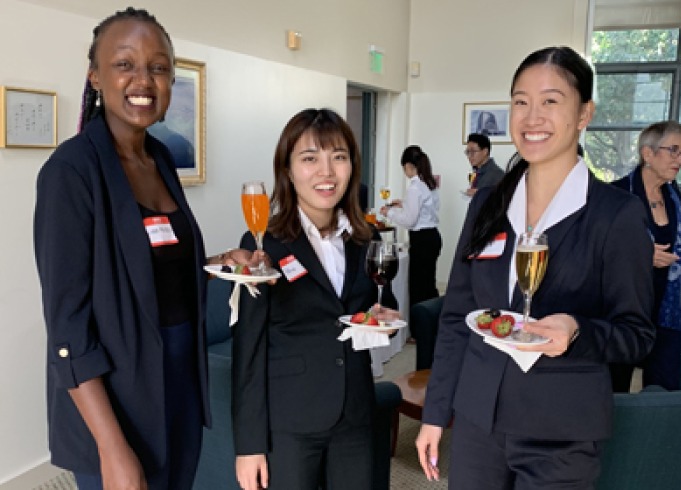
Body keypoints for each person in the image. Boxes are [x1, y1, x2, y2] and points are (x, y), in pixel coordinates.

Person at [33, 8, 259, 489]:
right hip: (116, 398)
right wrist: (112, 448)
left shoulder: (158, 157)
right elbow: (67, 329)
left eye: (158, 67)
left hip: (177, 385)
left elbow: (147, 267)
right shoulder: (71, 173)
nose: (144, 80)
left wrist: (218, 264)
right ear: (95, 75)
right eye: (125, 64)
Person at [415, 46, 655, 488]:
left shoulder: (615, 215)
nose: (531, 117)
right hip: (478, 421)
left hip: (561, 429)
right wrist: (435, 413)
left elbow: (636, 335)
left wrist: (578, 331)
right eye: (520, 101)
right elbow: (456, 318)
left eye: (550, 101)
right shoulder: (489, 203)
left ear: (584, 114)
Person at [231, 108, 401, 490]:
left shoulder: (365, 240)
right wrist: (249, 445)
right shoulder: (263, 244)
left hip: (354, 413)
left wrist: (385, 321)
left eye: (338, 157)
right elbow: (249, 350)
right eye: (310, 159)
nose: (326, 172)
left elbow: (379, 316)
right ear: (288, 170)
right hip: (288, 422)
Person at [610, 121, 681, 391]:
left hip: (668, 309)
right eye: (673, 150)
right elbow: (597, 251)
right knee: (615, 386)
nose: (680, 159)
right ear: (647, 154)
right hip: (624, 307)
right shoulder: (615, 195)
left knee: (665, 384)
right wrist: (641, 255)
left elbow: (679, 248)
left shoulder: (676, 199)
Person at [379, 145, 442, 306]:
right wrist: (404, 203)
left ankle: (420, 329)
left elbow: (410, 220)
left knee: (418, 288)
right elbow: (426, 210)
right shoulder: (429, 182)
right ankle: (432, 325)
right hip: (433, 236)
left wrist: (389, 212)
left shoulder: (415, 187)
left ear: (407, 166)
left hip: (422, 240)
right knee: (428, 285)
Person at [464, 132, 504, 197]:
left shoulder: (496, 174)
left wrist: (480, 194)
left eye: (473, 151)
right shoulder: (477, 171)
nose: (469, 156)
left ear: (485, 151)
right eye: (468, 152)